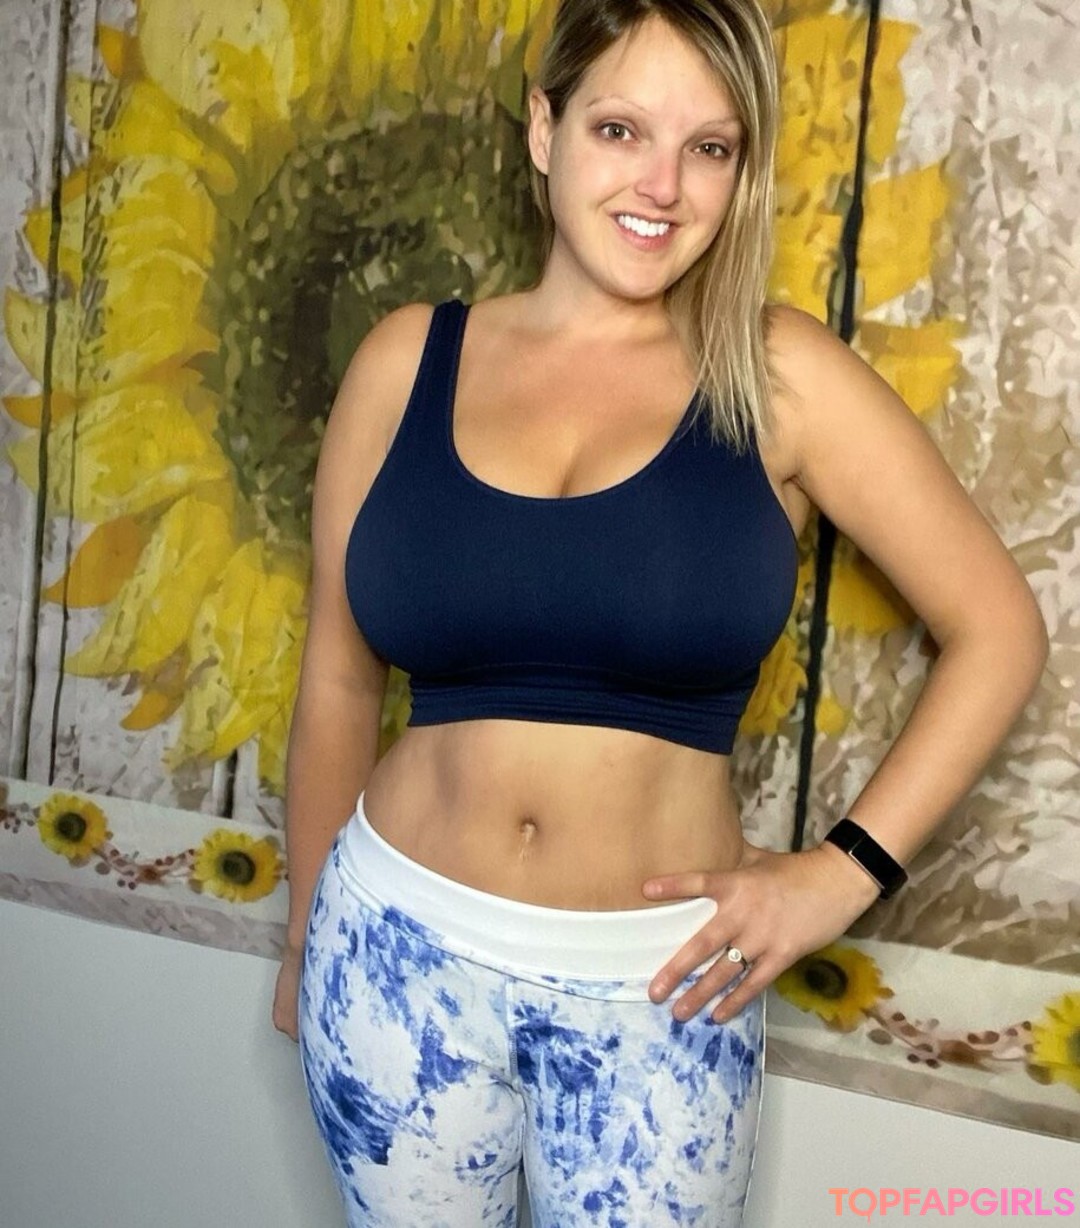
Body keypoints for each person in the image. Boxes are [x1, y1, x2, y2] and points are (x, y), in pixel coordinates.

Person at [272, 1, 1048, 1224]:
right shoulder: (404, 361)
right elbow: (337, 677)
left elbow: (1000, 630)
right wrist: (306, 940)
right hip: (390, 956)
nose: (663, 186)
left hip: (658, 995)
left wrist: (838, 877)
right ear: (545, 129)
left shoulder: (780, 377)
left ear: (742, 172)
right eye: (621, 129)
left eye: (710, 147)